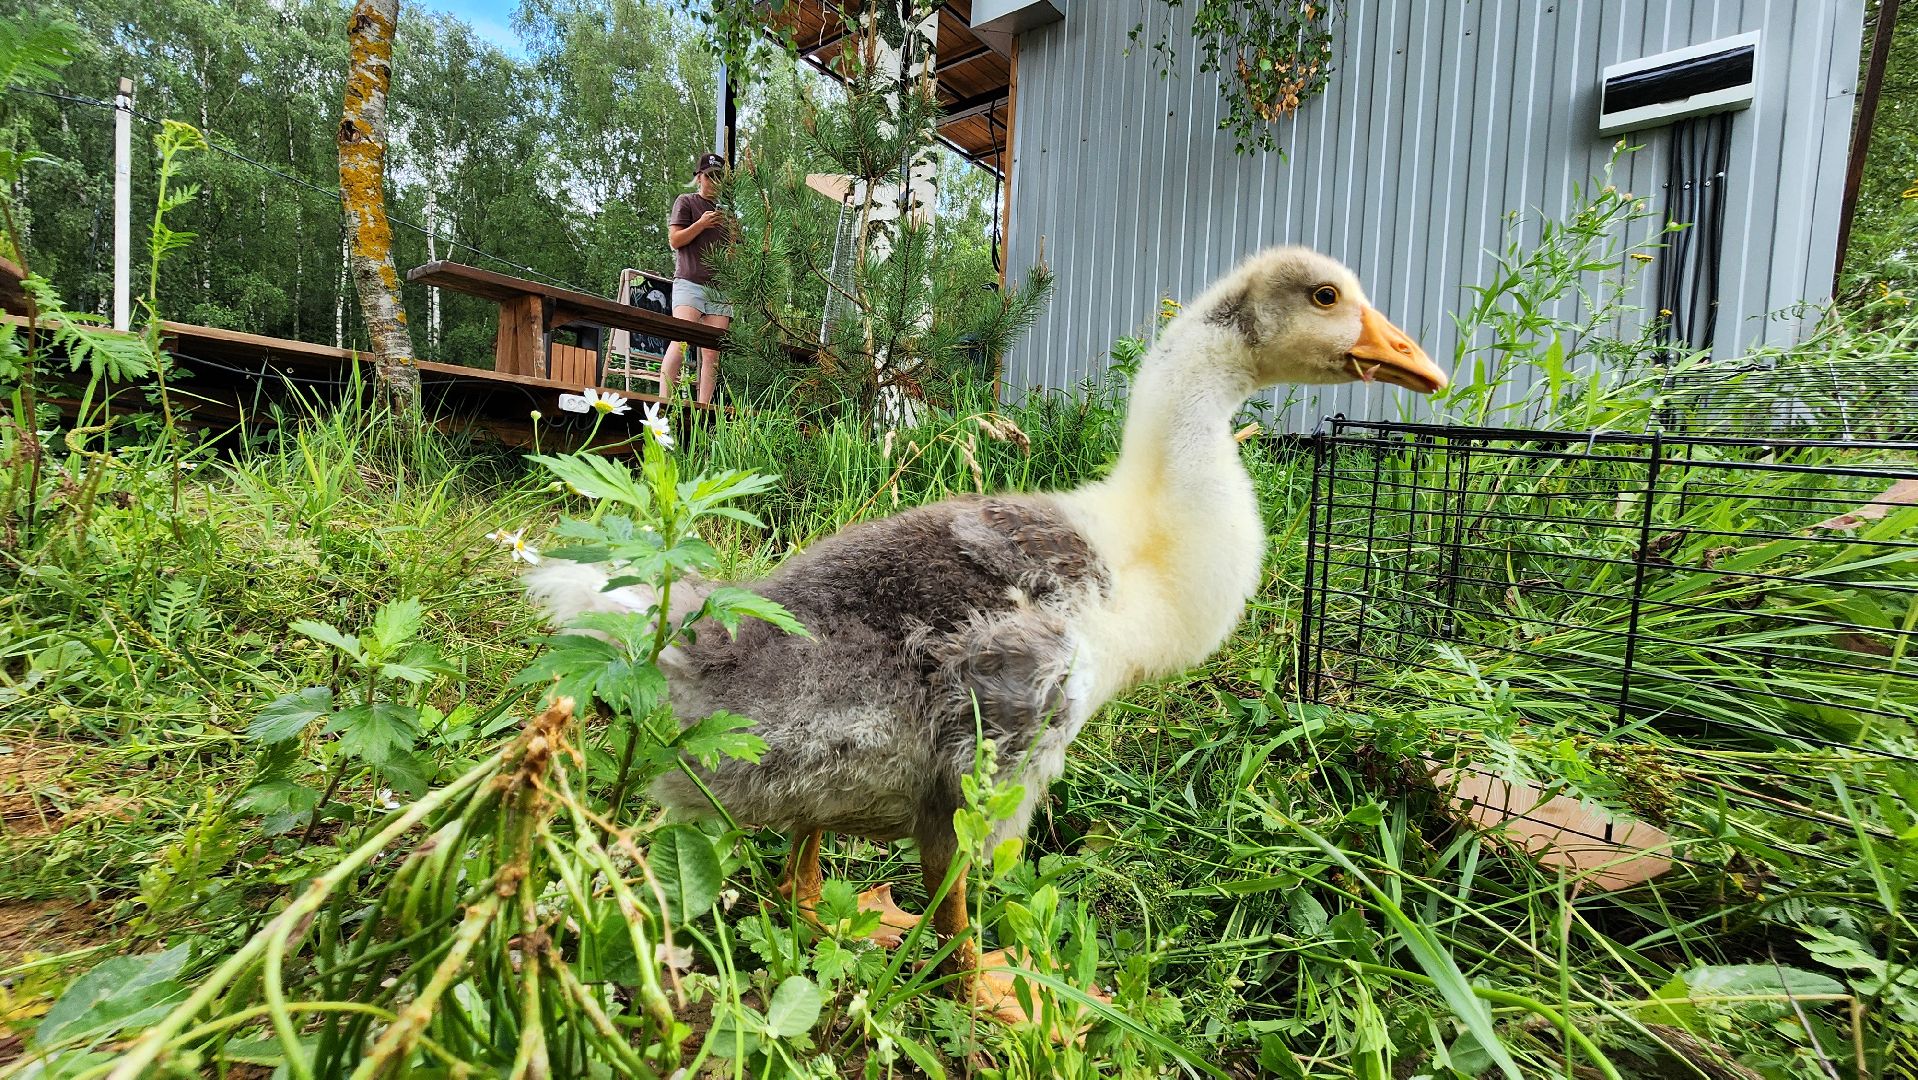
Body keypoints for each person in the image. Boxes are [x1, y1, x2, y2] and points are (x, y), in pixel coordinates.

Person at [659, 152, 732, 404]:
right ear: (699, 177)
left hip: (720, 289)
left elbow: (737, 251)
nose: (714, 182)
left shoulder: (727, 213)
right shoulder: (687, 202)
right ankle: (664, 401)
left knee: (712, 354)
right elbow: (675, 240)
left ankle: (703, 407)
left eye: (719, 178)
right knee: (680, 341)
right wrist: (701, 224)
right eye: (709, 177)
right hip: (689, 282)